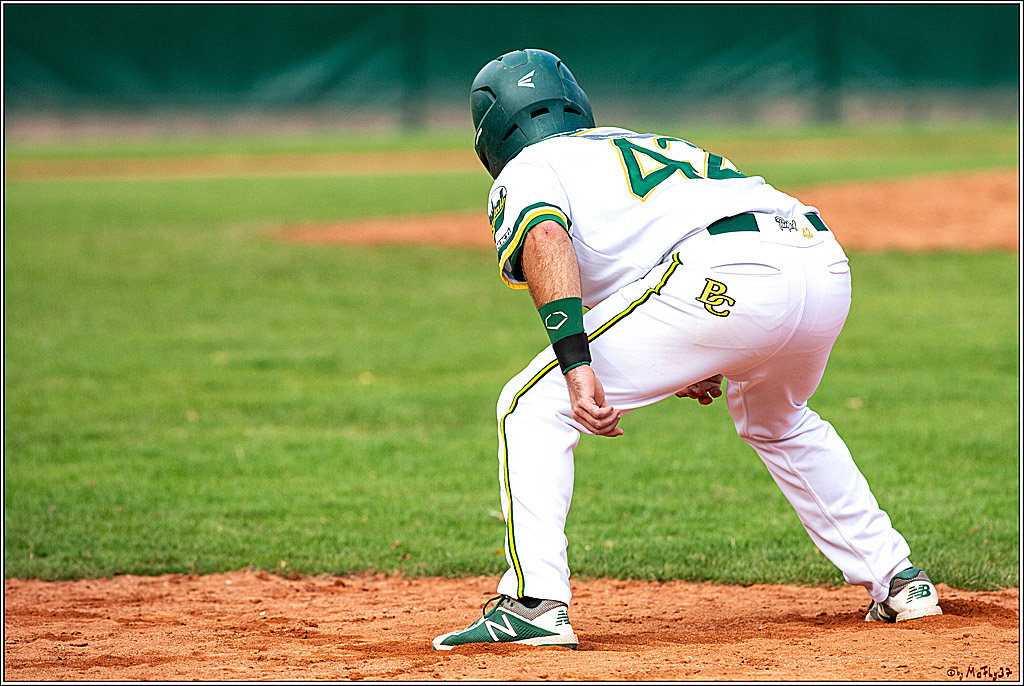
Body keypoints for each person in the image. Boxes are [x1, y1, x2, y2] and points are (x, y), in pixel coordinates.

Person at [431, 48, 941, 651]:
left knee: (531, 405)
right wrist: (696, 351)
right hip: (819, 259)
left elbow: (545, 235)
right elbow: (644, 260)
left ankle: (534, 603)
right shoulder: (637, 142)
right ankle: (899, 581)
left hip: (723, 274)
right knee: (777, 419)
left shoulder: (529, 167)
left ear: (490, 132)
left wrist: (576, 363)